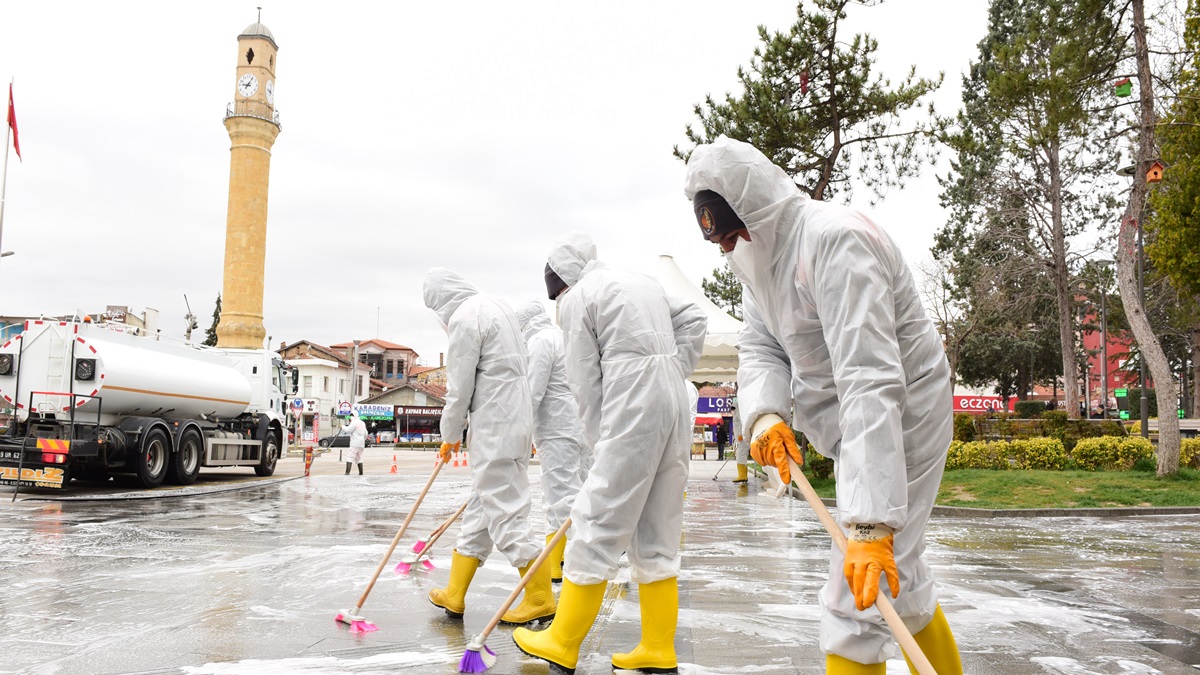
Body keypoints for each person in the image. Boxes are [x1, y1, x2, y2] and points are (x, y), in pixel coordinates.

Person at [683, 136, 963, 674]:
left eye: (734, 233)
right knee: (900, 586)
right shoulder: (755, 260)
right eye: (720, 240)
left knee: (856, 596)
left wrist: (870, 523)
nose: (729, 248)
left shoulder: (836, 240)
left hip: (902, 418)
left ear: (757, 210)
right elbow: (761, 346)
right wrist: (766, 414)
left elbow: (868, 377)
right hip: (855, 425)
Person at [513, 232, 707, 674]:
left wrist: (601, 438)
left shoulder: (579, 299)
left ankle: (562, 641)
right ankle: (658, 646)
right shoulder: (642, 282)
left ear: (562, 281)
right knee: (657, 528)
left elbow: (583, 381)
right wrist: (671, 367)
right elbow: (694, 317)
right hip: (673, 403)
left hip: (631, 406)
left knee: (595, 521)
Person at [421, 268, 555, 625]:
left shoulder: (465, 319)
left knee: (507, 513)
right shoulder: (497, 306)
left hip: (496, 427)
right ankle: (455, 593)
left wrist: (450, 435)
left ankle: (540, 595)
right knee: (481, 510)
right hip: (514, 421)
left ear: (440, 302)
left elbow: (459, 388)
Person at [516, 300, 586, 584]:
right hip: (581, 425)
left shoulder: (540, 342)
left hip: (557, 428)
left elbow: (533, 392)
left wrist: (519, 431)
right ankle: (562, 558)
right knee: (580, 491)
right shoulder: (564, 338)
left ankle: (566, 562)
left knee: (559, 496)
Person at [730, 403, 751, 483]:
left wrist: (740, 434)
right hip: (739, 438)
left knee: (740, 455)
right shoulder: (736, 414)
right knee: (741, 455)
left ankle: (742, 476)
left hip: (741, 438)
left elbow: (741, 425)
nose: (732, 410)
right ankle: (743, 476)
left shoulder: (739, 413)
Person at [343, 411, 368, 475]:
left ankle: (347, 473)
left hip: (355, 443)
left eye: (351, 416)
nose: (350, 417)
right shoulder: (362, 423)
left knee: (350, 457)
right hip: (361, 444)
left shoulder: (354, 422)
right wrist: (363, 440)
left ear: (354, 416)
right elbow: (366, 433)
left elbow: (348, 430)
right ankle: (361, 473)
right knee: (359, 457)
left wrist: (343, 427)